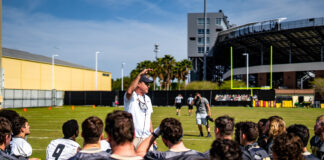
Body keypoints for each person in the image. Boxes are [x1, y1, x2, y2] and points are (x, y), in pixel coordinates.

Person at [136, 118, 205, 159]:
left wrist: (155, 133)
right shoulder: (200, 156)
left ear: (164, 140)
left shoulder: (161, 157)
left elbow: (140, 153)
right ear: (181, 133)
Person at [124, 69, 154, 150]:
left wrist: (152, 136)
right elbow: (129, 91)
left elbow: (149, 118)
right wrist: (139, 75)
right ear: (138, 84)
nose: (149, 86)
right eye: (146, 83)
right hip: (133, 137)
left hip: (146, 137)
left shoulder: (147, 98)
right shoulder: (131, 96)